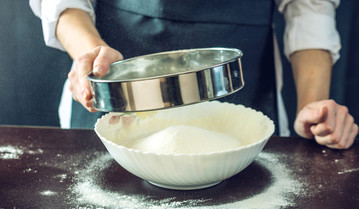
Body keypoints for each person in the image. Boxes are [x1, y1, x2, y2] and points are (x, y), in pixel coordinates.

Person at [29, 0, 358, 149]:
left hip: (243, 89)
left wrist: (315, 109)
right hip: (116, 81)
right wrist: (90, 51)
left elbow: (310, 6)